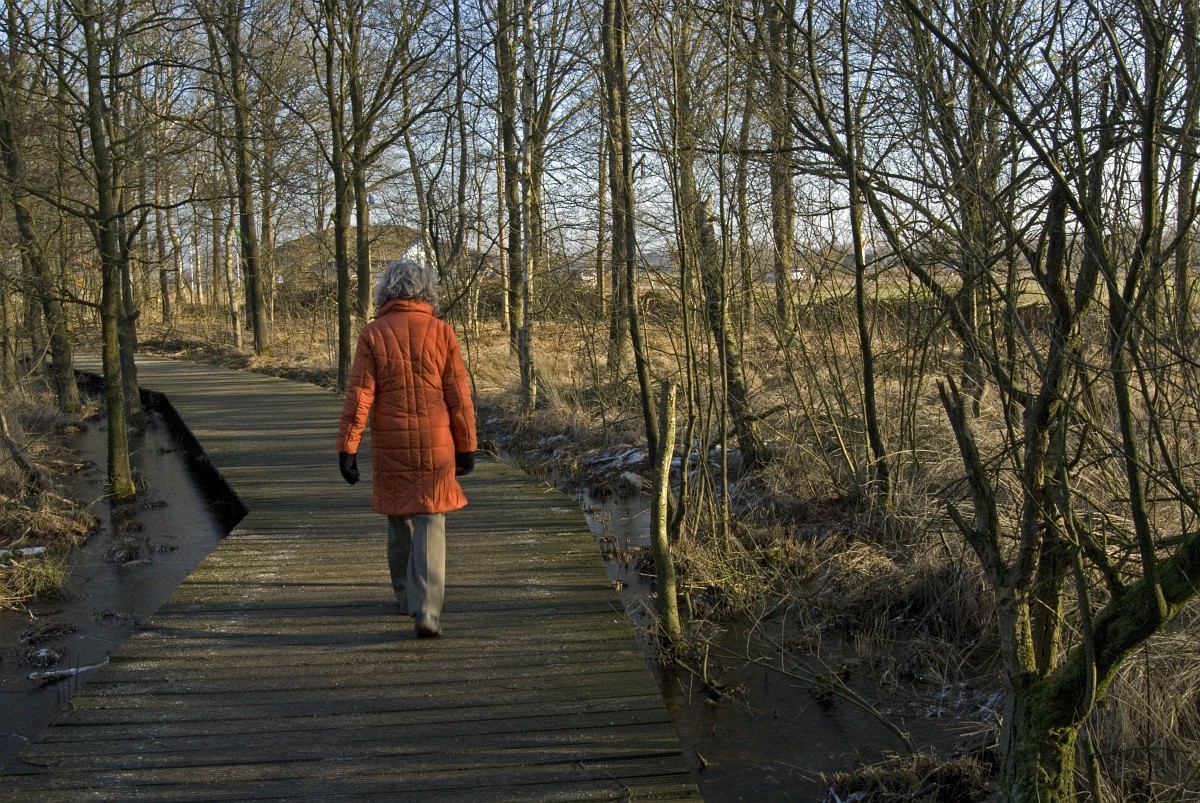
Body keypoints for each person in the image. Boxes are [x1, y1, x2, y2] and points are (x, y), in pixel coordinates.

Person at [335, 259, 477, 638]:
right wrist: (466, 446)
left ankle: (404, 598)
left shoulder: (373, 334)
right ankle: (428, 609)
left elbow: (360, 397)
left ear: (386, 291)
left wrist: (347, 448)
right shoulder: (442, 332)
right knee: (431, 518)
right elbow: (458, 396)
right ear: (426, 291)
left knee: (400, 518)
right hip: (436, 443)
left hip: (391, 443)